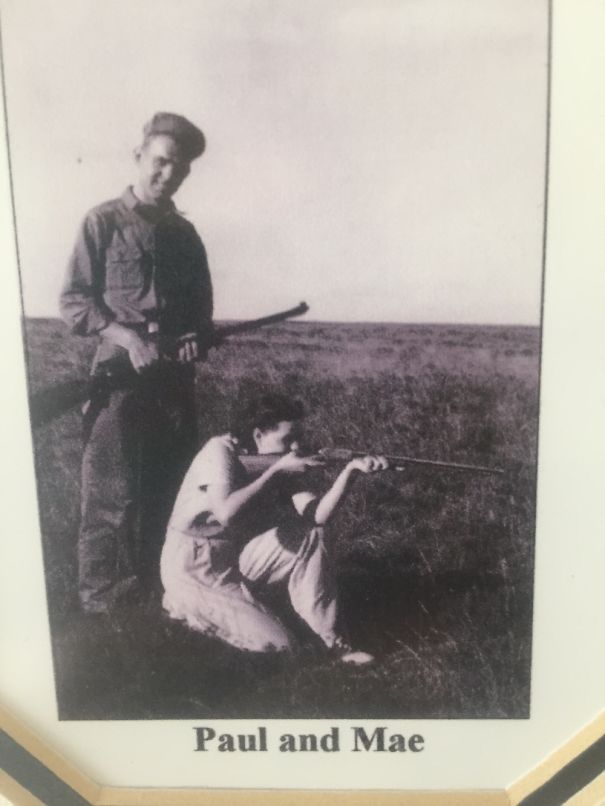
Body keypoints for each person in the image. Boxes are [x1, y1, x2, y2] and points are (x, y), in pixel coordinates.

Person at [60, 113, 213, 614]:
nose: (168, 174)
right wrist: (127, 338)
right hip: (119, 378)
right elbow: (76, 303)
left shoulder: (186, 237)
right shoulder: (101, 222)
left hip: (171, 380)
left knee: (170, 489)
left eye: (180, 168)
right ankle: (103, 602)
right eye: (161, 161)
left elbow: (200, 315)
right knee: (111, 495)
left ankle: (160, 589)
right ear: (139, 157)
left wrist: (193, 338)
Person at [160, 393, 388, 664]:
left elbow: (317, 517)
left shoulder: (282, 462)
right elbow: (226, 513)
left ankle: (331, 641)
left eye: (299, 437)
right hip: (190, 564)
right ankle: (183, 607)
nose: (295, 446)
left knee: (308, 535)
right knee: (279, 645)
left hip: (232, 560)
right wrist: (277, 471)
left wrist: (350, 473)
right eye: (287, 438)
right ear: (258, 435)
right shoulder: (218, 452)